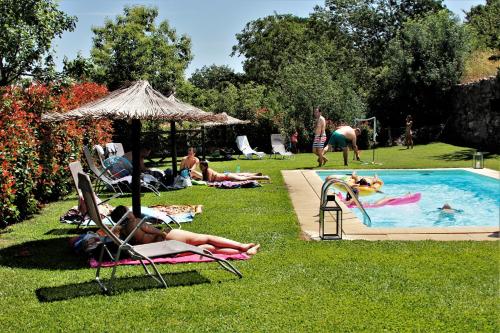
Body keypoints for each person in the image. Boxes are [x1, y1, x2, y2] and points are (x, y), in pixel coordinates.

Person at [110, 205, 260, 255]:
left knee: (209, 248)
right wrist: (162, 232)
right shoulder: (135, 222)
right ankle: (242, 247)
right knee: (207, 238)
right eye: (128, 209)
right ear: (126, 213)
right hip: (166, 240)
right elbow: (151, 230)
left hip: (161, 251)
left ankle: (243, 253)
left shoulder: (123, 232)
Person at [199, 160, 270, 182]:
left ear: (205, 166)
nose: (200, 167)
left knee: (243, 178)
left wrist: (200, 181)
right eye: (200, 166)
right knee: (241, 176)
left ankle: (264, 177)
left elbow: (209, 181)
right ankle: (255, 174)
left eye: (201, 166)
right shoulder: (204, 171)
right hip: (226, 176)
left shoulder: (208, 170)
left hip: (226, 176)